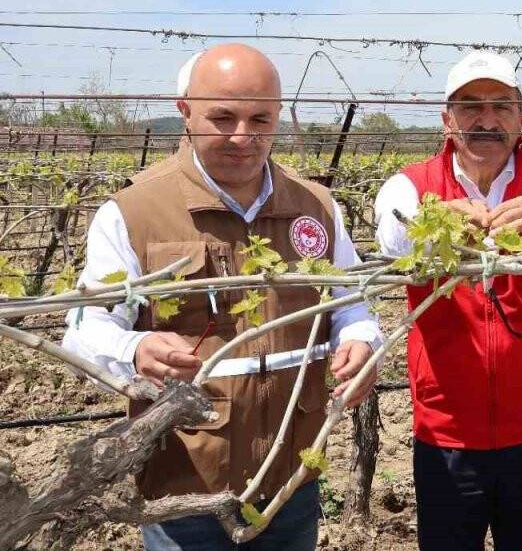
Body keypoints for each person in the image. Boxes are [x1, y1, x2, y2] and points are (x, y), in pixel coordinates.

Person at [64, 43, 383, 551]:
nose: (243, 137)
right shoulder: (132, 211)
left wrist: (362, 339)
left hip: (292, 477)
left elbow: (350, 303)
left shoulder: (316, 206)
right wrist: (134, 350)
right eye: (223, 117)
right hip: (184, 484)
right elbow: (84, 329)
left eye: (260, 118)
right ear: (184, 111)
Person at [372, 51, 522, 551]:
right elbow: (392, 234)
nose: (486, 120)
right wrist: (438, 224)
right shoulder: (411, 187)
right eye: (470, 106)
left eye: (501, 106)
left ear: (520, 119)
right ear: (447, 119)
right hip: (447, 430)